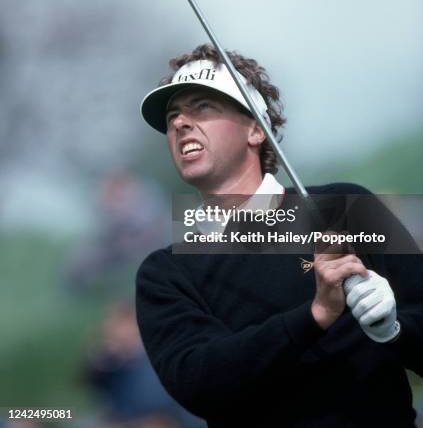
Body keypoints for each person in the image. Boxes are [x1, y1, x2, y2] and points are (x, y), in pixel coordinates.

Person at [135, 44, 423, 427]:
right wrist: (315, 315)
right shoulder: (165, 272)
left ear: (255, 129)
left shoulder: (345, 207)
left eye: (202, 106)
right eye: (173, 116)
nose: (180, 123)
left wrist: (394, 330)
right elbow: (199, 383)